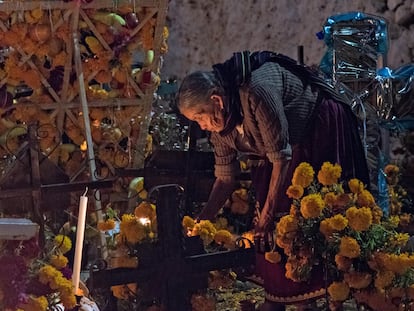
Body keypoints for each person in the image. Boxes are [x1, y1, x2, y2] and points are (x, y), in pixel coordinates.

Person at [176, 51, 370, 311]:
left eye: (200, 117)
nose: (201, 126)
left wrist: (266, 218)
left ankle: (313, 295)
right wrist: (203, 220)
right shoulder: (221, 126)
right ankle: (279, 295)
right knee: (269, 220)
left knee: (301, 212)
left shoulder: (256, 92)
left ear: (216, 100)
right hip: (281, 150)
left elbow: (281, 158)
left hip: (315, 130)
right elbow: (224, 178)